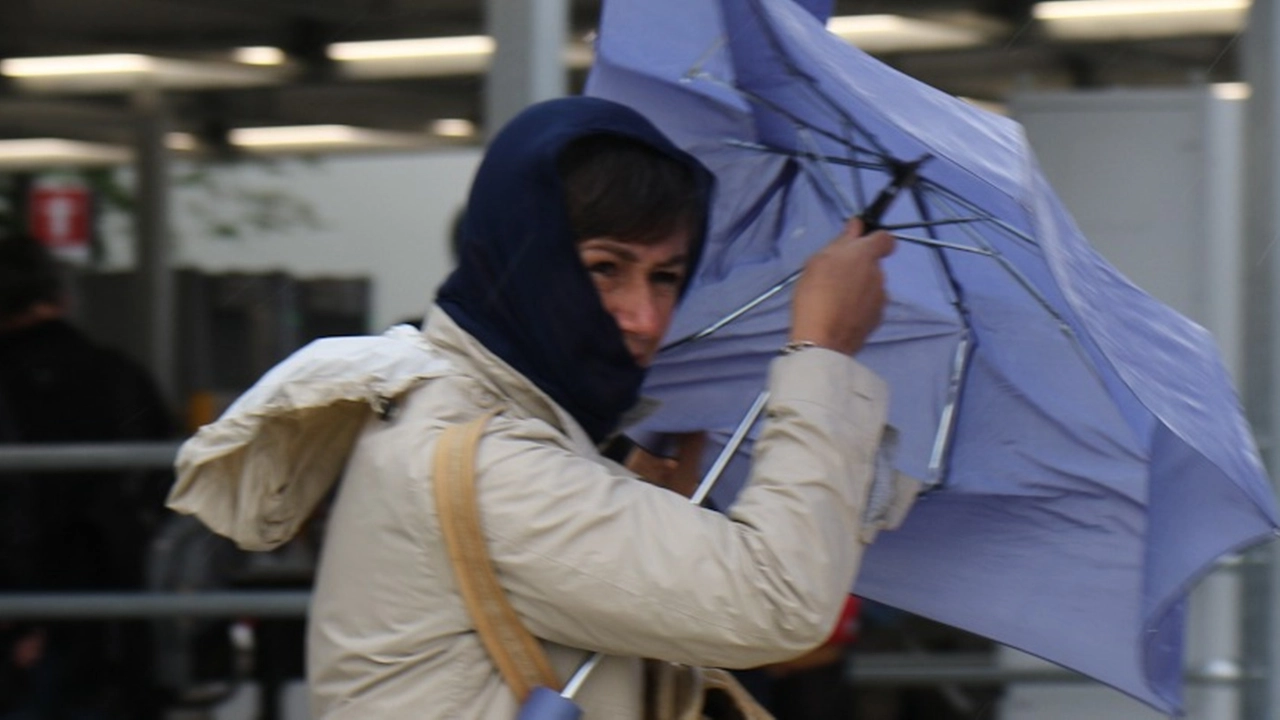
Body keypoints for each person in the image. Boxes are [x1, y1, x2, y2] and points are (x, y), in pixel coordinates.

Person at [170, 95, 895, 719]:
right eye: (605, 269)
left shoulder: (462, 415)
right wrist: (823, 355)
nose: (643, 316)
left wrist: (636, 502)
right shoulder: (486, 458)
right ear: (527, 252)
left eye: (666, 275)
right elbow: (776, 602)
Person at [0, 234, 175, 720]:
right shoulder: (118, 374)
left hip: (24, 619)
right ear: (62, 297)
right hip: (118, 614)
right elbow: (168, 487)